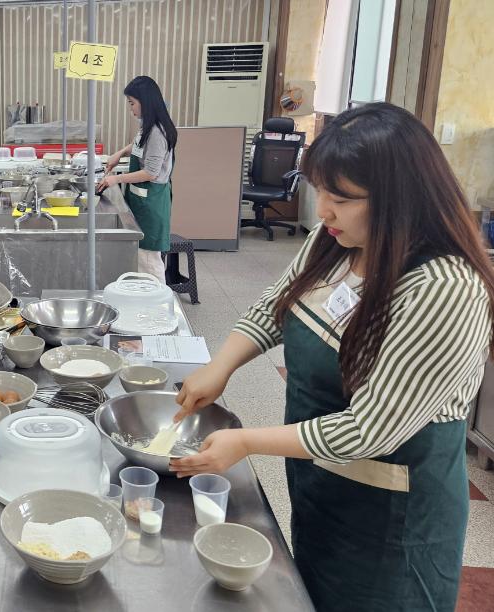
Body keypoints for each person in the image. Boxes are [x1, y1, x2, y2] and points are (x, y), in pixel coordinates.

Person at [171, 103, 494, 611]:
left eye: (341, 198)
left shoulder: (443, 288)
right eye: (319, 191)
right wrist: (220, 366)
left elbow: (370, 429)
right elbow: (278, 306)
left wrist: (246, 441)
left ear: (400, 197)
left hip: (393, 517)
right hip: (322, 478)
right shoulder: (337, 239)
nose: (322, 211)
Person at [98, 76, 176, 282]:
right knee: (140, 258)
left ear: (146, 101)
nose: (130, 108)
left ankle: (158, 298)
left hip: (151, 204)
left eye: (132, 103)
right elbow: (138, 145)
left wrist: (117, 179)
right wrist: (119, 153)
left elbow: (150, 173)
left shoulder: (158, 132)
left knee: (149, 259)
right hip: (141, 201)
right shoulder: (148, 126)